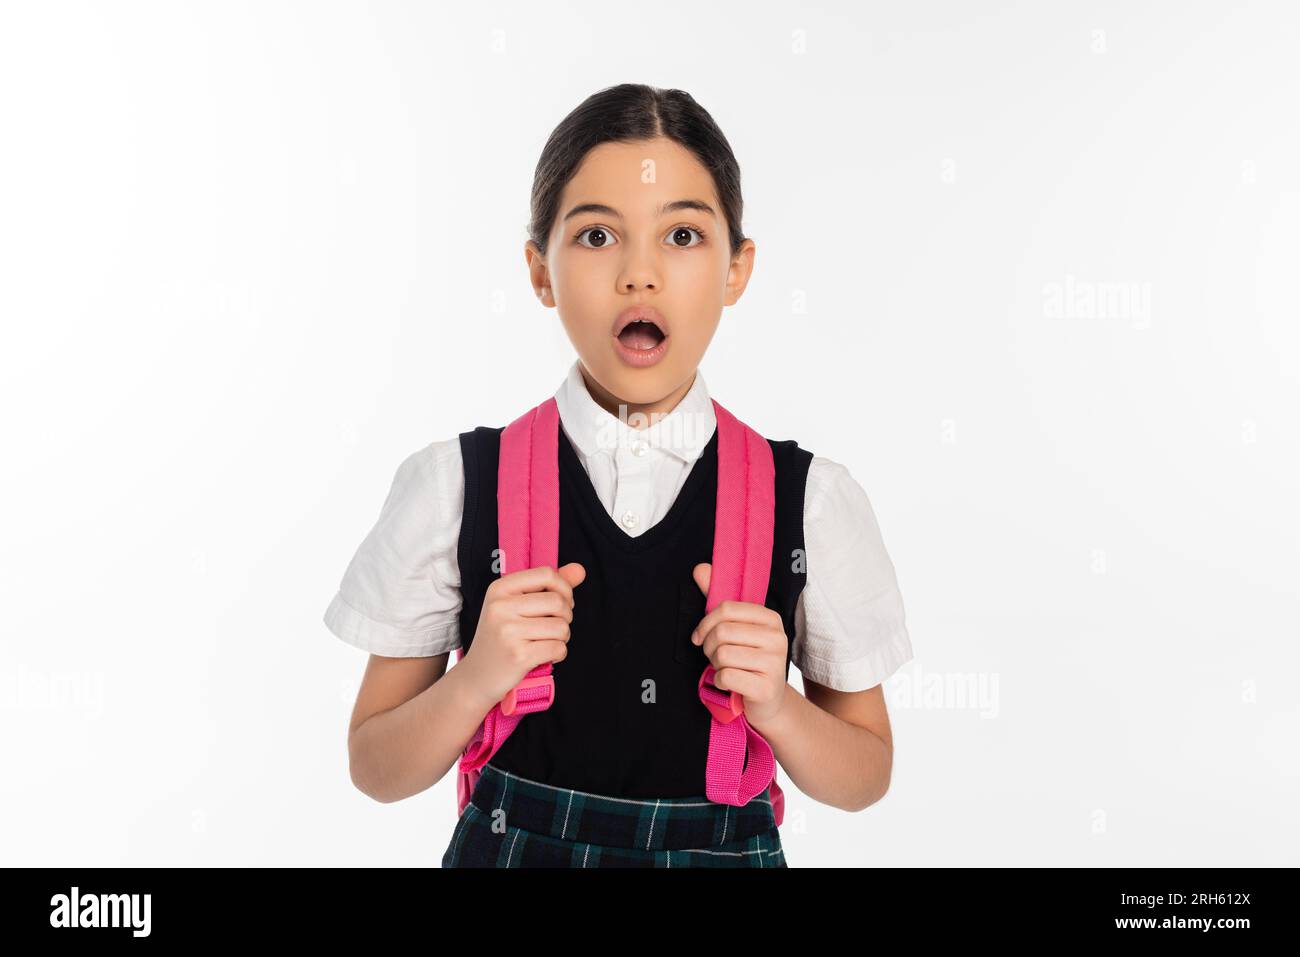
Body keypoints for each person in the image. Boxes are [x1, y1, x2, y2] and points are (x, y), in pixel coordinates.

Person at [325, 83, 913, 867]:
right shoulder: (455, 487)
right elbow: (375, 765)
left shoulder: (811, 500)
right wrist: (478, 681)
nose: (641, 274)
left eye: (683, 236)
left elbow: (865, 774)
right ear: (540, 271)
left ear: (738, 270)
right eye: (598, 237)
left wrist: (777, 704)